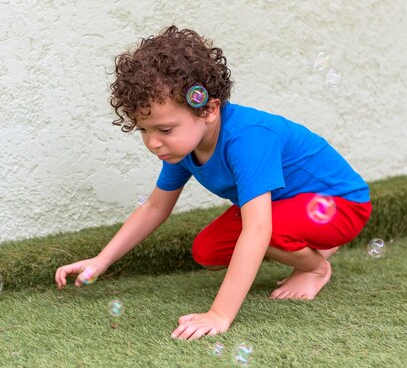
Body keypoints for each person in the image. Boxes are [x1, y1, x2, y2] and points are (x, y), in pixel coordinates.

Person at [54, 26, 372, 341]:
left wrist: (219, 314)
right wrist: (101, 259)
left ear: (208, 108)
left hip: (341, 205)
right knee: (208, 251)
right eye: (143, 130)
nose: (153, 143)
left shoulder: (247, 139)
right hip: (287, 206)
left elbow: (258, 229)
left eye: (164, 130)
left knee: (264, 231)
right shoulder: (185, 148)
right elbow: (154, 207)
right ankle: (308, 244)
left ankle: (315, 267)